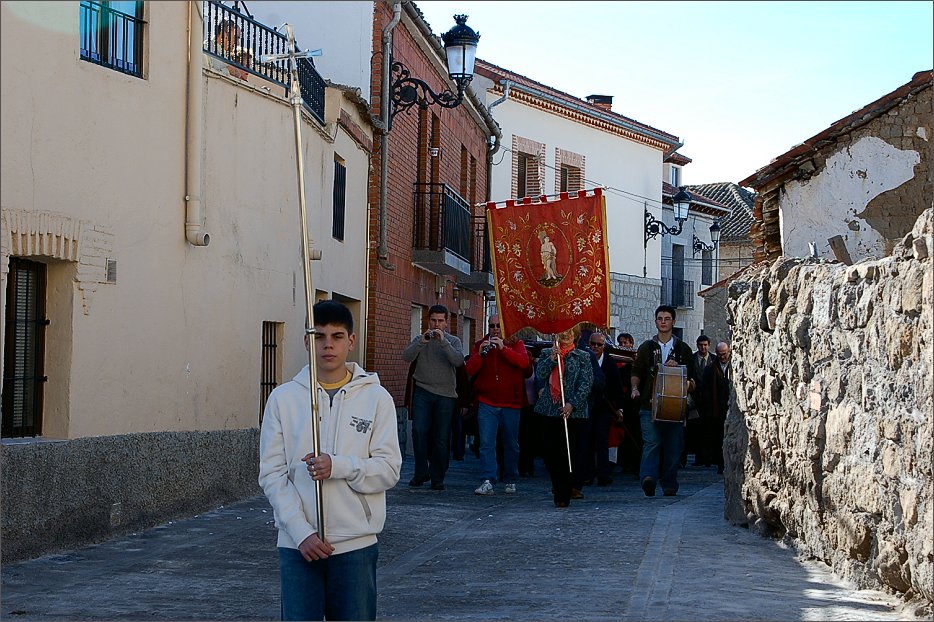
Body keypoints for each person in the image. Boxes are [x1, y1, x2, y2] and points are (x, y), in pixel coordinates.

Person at [258, 300, 402, 621]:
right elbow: (272, 474)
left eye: (337, 336)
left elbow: (388, 470)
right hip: (299, 547)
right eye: (319, 336)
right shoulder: (284, 399)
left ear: (351, 341)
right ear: (308, 341)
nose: (328, 345)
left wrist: (339, 466)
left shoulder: (376, 398)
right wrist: (301, 532)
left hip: (355, 545)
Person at [630, 305, 696, 497]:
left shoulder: (683, 349)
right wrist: (634, 389)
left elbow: (693, 381)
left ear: (673, 322)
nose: (663, 322)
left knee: (673, 447)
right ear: (656, 321)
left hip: (675, 408)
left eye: (667, 318)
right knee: (651, 443)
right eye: (660, 318)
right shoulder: (646, 348)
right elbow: (636, 372)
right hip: (648, 405)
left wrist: (680, 375)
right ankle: (648, 478)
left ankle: (669, 484)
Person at [401, 305, 465, 491]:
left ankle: (438, 477)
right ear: (428, 321)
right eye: (433, 320)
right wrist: (421, 342)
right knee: (419, 431)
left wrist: (443, 342)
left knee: (441, 437)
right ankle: (421, 472)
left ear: (446, 323)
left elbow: (458, 361)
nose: (436, 324)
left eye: (440, 321)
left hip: (446, 395)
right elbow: (406, 356)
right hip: (423, 391)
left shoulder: (454, 341)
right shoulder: (421, 339)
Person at [466, 315, 531, 495]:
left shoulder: (516, 343)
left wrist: (503, 349)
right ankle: (488, 480)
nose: (495, 329)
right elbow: (470, 370)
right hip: (487, 402)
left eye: (498, 326)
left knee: (511, 443)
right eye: (492, 326)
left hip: (511, 403)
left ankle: (510, 478)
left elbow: (523, 362)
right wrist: (480, 354)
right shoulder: (480, 344)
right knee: (486, 443)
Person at [534, 326, 593, 508]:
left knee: (570, 453)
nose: (565, 335)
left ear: (575, 335)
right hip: (549, 410)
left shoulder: (582, 356)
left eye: (569, 332)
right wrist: (552, 358)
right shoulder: (546, 352)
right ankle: (557, 486)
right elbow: (540, 374)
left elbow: (586, 382)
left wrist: (571, 404)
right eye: (562, 332)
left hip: (574, 413)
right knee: (552, 452)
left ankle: (566, 491)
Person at [587, 332, 622, 486]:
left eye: (599, 344)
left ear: (604, 346)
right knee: (586, 441)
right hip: (586, 406)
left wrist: (619, 408)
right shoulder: (584, 359)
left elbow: (618, 387)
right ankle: (587, 474)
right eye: (593, 344)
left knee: (602, 440)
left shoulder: (610, 362)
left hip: (604, 407)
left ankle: (603, 474)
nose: (595, 347)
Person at [682, 335, 715, 467]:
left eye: (705, 345)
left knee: (709, 429)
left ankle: (709, 457)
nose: (703, 347)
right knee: (695, 430)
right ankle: (698, 457)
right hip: (694, 400)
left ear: (709, 345)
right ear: (697, 345)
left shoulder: (714, 360)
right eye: (701, 345)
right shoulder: (692, 359)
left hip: (709, 400)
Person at [702, 341, 733, 474]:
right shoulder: (710, 369)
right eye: (720, 354)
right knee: (718, 437)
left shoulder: (734, 366)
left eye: (724, 354)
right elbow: (706, 390)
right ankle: (720, 463)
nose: (722, 357)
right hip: (717, 409)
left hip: (731, 407)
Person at [613, 332, 642, 476]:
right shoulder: (618, 364)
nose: (623, 346)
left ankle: (636, 463)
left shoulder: (636, 364)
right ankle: (625, 463)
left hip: (635, 403)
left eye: (626, 343)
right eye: (621, 343)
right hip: (624, 402)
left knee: (636, 432)